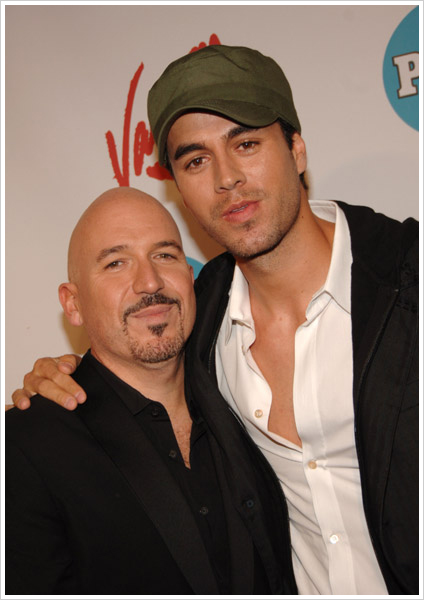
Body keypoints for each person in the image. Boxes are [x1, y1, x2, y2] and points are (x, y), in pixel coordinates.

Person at [11, 46, 418, 595]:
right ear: (179, 188)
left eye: (245, 144)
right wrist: (55, 380)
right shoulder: (199, 324)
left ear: (297, 149)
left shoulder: (408, 280)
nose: (227, 178)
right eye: (196, 161)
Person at [5, 187, 297, 595]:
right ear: (73, 304)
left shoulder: (244, 395)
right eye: (115, 263)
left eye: (164, 255)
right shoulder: (24, 447)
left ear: (190, 278)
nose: (149, 281)